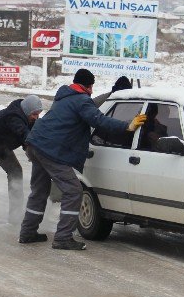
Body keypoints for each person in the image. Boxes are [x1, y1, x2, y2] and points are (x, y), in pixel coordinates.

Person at [19, 69, 145, 250]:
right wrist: (128, 126)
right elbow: (99, 120)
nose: (92, 90)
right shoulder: (81, 100)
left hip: (35, 144)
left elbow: (92, 106)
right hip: (51, 150)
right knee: (73, 190)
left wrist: (113, 93)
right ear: (88, 86)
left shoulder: (65, 97)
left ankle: (27, 232)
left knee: (39, 191)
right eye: (92, 86)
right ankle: (63, 238)